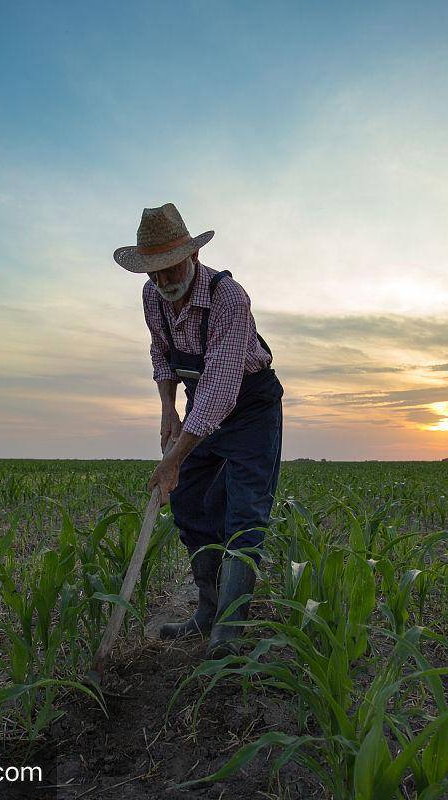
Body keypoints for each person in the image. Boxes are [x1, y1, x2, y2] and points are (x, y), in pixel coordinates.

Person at [114, 203, 284, 657]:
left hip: (248, 404)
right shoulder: (154, 298)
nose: (165, 282)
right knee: (188, 502)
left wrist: (173, 457)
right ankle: (206, 611)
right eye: (154, 273)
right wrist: (167, 407)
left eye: (170, 268)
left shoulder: (229, 298)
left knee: (245, 514)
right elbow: (161, 352)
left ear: (191, 257)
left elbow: (222, 386)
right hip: (197, 402)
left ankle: (227, 633)